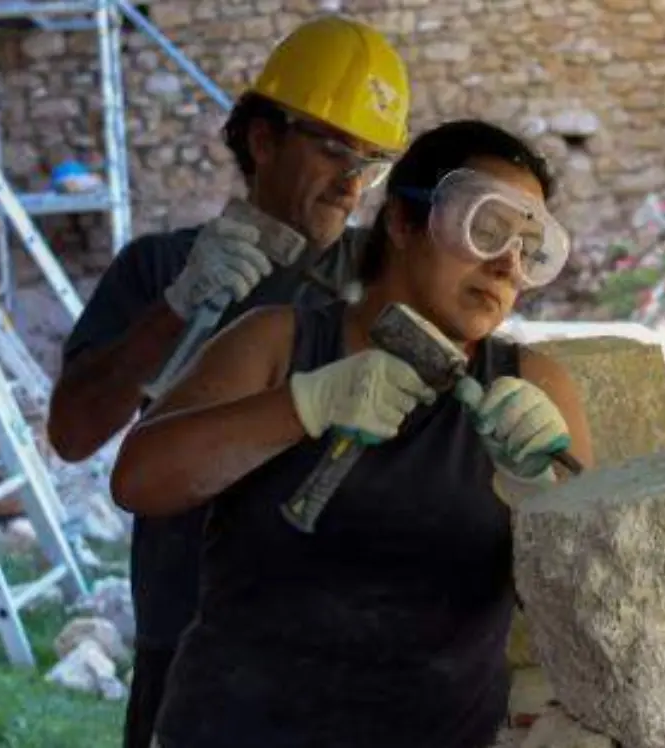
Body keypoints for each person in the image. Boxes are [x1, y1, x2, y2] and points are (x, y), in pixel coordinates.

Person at [110, 119, 596, 748]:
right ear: (402, 221)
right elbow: (139, 480)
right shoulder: (278, 343)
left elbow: (589, 613)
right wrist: (303, 404)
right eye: (487, 228)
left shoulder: (535, 391)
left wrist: (541, 497)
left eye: (530, 249)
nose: (506, 265)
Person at [45, 15, 411, 748]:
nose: (352, 184)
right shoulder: (160, 268)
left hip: (341, 645)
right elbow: (74, 434)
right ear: (264, 139)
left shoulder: (383, 277)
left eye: (370, 163)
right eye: (334, 150)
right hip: (189, 636)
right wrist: (175, 309)